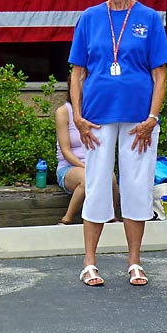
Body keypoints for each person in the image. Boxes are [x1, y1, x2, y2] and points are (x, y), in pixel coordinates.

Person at [69, 0, 167, 287]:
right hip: (96, 117)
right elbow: (77, 72)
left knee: (137, 185)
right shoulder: (89, 18)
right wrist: (78, 117)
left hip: (139, 119)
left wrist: (153, 117)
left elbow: (160, 74)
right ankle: (89, 261)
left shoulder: (149, 18)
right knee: (96, 184)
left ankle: (135, 261)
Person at [55, 75, 120, 225]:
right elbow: (66, 151)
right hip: (71, 167)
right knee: (88, 178)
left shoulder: (98, 110)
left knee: (112, 179)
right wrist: (88, 167)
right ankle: (66, 219)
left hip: (95, 163)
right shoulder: (63, 112)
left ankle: (111, 216)